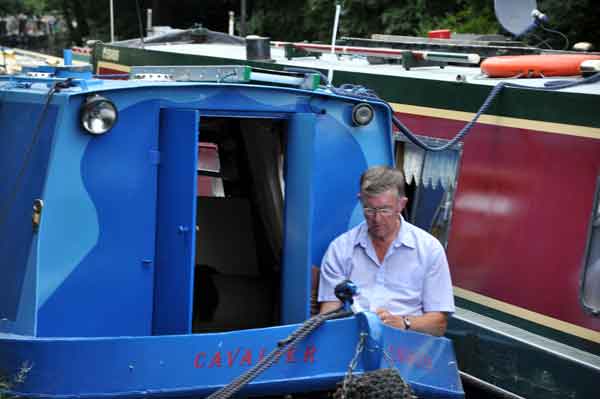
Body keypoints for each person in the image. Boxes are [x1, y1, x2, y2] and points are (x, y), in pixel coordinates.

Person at [317, 166, 455, 336]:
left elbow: (438, 324)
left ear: (401, 204)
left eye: (384, 210)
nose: (376, 219)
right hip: (353, 341)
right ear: (360, 200)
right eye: (369, 209)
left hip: (407, 347)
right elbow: (328, 314)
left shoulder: (429, 249)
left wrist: (403, 322)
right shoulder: (341, 248)